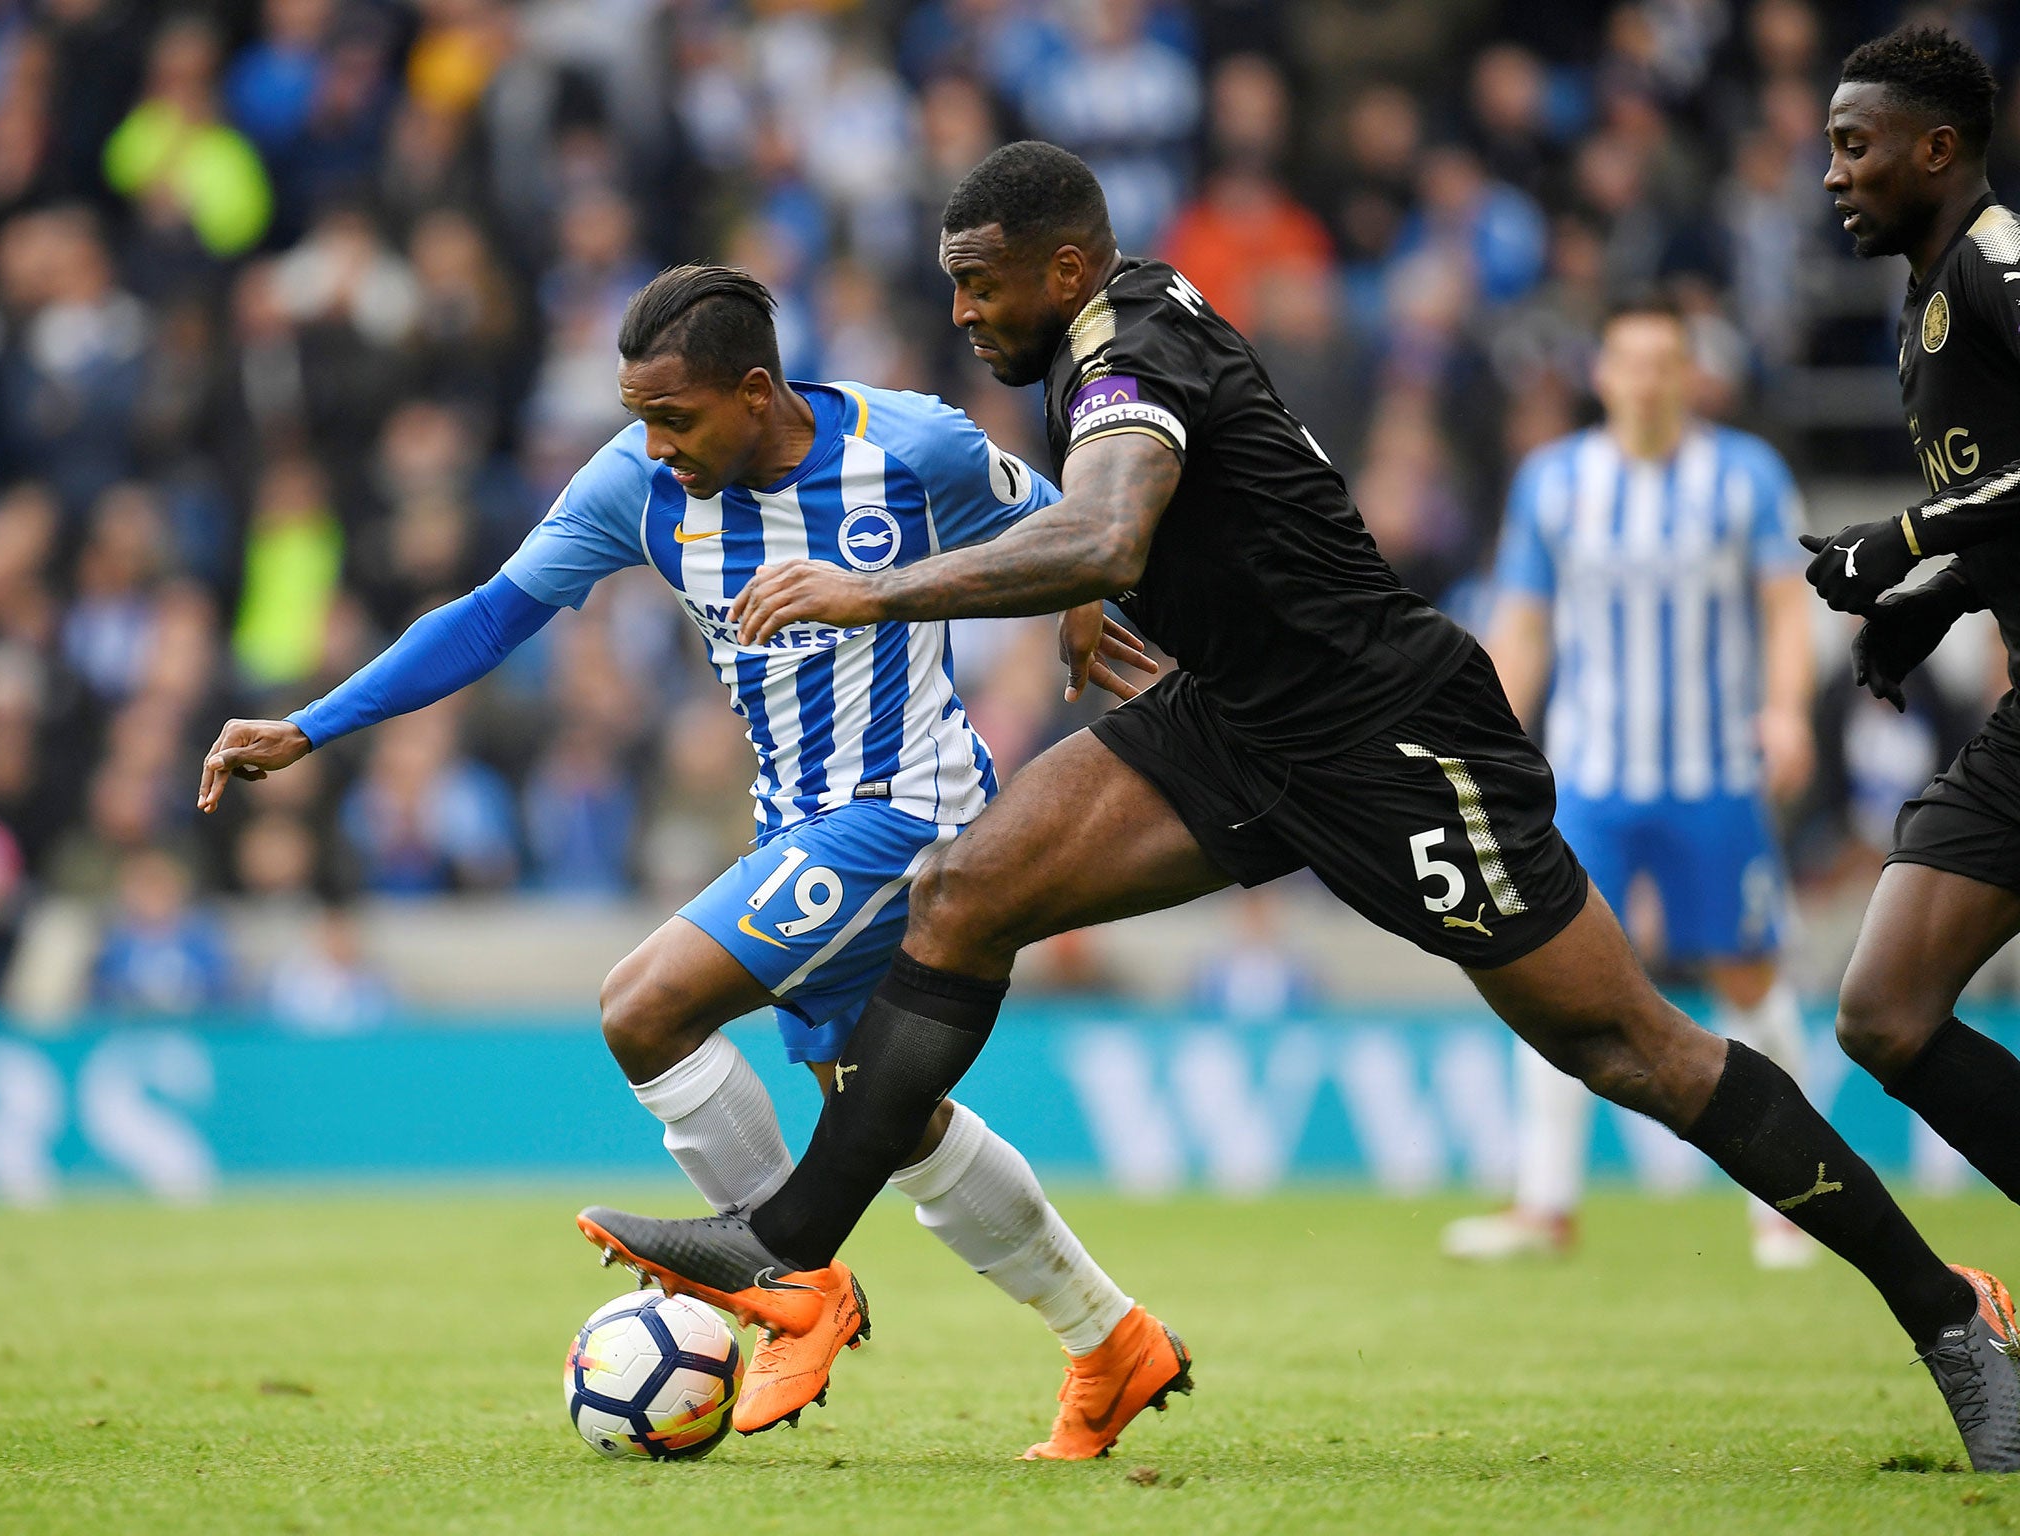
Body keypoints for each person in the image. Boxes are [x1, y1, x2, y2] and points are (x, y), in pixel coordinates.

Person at [576, 143, 2020, 1472]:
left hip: (1386, 732)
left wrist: (877, 585)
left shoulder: (1126, 347)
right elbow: (1114, 537)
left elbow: (1109, 523)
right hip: (1238, 714)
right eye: (953, 282)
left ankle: (1948, 1313)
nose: (960, 312)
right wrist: (1094, 605)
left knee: (1628, 1047)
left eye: (981, 282)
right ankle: (790, 1246)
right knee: (967, 891)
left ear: (1065, 270)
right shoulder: (1096, 335)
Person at [196, 264, 1184, 1462]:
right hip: (795, 822)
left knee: (643, 1008)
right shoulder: (637, 485)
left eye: (675, 417)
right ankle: (1108, 1340)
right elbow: (490, 614)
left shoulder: (908, 448)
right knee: (890, 1115)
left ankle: (788, 1276)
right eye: (637, 418)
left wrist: (1079, 600)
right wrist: (312, 724)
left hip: (907, 812)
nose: (654, 444)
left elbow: (1066, 518)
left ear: (756, 392)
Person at [1441, 297, 1819, 1269]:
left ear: (1688, 374)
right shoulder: (1555, 481)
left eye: (1664, 362)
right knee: (1550, 969)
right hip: (1589, 778)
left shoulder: (1742, 475)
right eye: (1628, 362)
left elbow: (1785, 607)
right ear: (1601, 375)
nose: (1646, 380)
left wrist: (1784, 711)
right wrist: (1487, 741)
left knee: (1745, 975)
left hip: (1710, 773)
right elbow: (1521, 623)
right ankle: (1544, 1204)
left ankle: (1788, 1200)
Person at [1798, 27, 2020, 1245]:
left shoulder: (1998, 263)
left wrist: (1903, 538)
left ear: (1934, 151)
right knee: (1883, 1009)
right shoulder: (1923, 297)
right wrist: (1931, 603)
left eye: (1852, 145)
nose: (1830, 172)